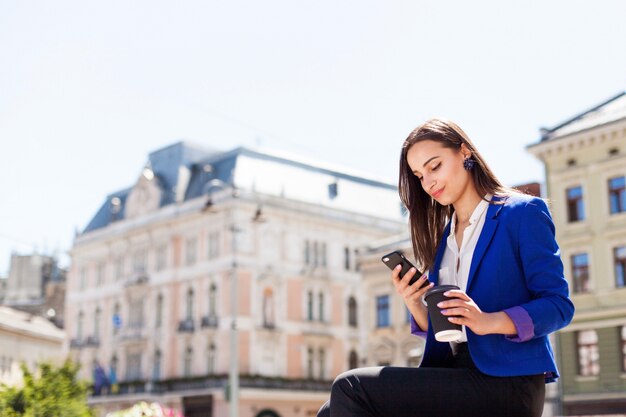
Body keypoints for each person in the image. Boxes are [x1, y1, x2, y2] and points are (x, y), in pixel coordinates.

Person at [317, 118, 574, 417]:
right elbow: (449, 330)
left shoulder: (522, 213)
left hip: (508, 382)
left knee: (352, 387)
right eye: (419, 175)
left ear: (464, 152)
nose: (429, 183)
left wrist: (488, 321)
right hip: (456, 373)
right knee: (330, 409)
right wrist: (416, 305)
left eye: (434, 166)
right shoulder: (446, 237)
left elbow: (558, 306)